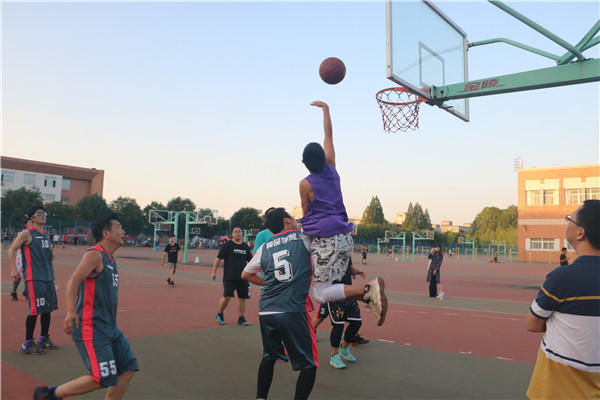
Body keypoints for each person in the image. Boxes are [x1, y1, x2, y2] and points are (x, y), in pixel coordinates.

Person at [300, 101, 387, 326]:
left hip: (327, 239)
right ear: (323, 158)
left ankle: (368, 290)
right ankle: (368, 298)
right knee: (335, 286)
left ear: (303, 162)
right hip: (345, 238)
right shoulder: (331, 167)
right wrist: (326, 110)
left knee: (319, 293)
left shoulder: (305, 184)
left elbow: (306, 214)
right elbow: (328, 134)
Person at [33, 214, 139, 400]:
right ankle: (48, 395)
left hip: (110, 327)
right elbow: (74, 281)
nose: (123, 231)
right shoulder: (95, 255)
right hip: (91, 326)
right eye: (119, 227)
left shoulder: (111, 259)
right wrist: (70, 311)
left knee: (128, 367)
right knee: (102, 377)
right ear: (106, 233)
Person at [526, 200, 600, 399]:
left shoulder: (563, 278)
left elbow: (532, 324)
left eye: (569, 219)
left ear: (580, 232)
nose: (567, 222)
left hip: (557, 391)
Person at [241, 207, 317, 400]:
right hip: (292, 309)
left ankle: (260, 398)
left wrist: (269, 283)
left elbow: (246, 274)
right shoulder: (303, 236)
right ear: (287, 221)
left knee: (269, 356)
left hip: (266, 310)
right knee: (309, 365)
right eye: (292, 216)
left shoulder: (265, 246)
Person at [8, 205, 59, 355]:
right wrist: (13, 269)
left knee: (48, 309)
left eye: (44, 213)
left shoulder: (46, 234)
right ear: (32, 218)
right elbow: (11, 249)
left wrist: (51, 255)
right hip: (34, 277)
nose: (43, 215)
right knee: (35, 310)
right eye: (39, 213)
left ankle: (44, 338)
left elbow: (45, 252)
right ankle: (28, 342)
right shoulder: (27, 233)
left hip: (48, 276)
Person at [318, 258, 366, 369]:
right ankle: (334, 355)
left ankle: (344, 348)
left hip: (348, 293)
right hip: (334, 293)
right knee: (338, 325)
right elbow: (321, 271)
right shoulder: (329, 254)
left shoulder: (346, 252)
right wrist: (336, 273)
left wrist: (357, 271)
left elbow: (349, 268)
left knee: (356, 322)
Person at [211, 227, 253, 326]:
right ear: (232, 234)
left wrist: (254, 272)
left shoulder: (245, 246)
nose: (238, 233)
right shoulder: (227, 245)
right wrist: (214, 272)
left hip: (242, 277)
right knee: (227, 296)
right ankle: (220, 313)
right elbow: (218, 258)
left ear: (242, 234)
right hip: (229, 276)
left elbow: (251, 261)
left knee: (242, 297)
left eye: (239, 232)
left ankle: (241, 317)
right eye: (235, 232)